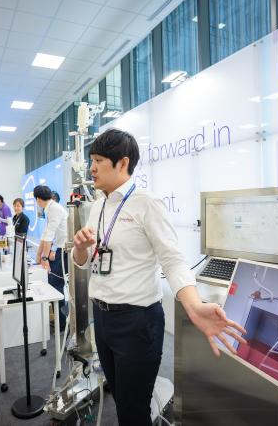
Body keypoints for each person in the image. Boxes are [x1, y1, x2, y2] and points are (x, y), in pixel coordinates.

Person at [71, 129, 247, 425]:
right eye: (92, 160)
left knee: (134, 407)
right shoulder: (98, 206)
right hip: (102, 319)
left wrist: (193, 306)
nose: (92, 168)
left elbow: (173, 260)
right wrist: (79, 248)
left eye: (99, 160)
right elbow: (85, 260)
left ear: (122, 163)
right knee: (119, 396)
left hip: (137, 322)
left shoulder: (147, 203)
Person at [34, 185, 68, 331]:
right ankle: (59, 321)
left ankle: (61, 323)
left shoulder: (53, 209)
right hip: (61, 249)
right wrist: (38, 255)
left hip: (65, 250)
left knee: (56, 284)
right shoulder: (51, 208)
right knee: (55, 283)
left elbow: (49, 235)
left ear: (37, 199)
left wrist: (45, 258)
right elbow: (45, 234)